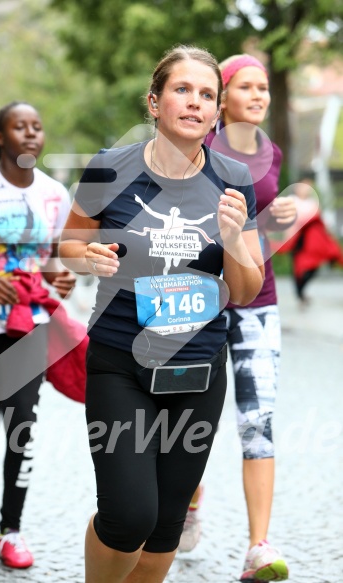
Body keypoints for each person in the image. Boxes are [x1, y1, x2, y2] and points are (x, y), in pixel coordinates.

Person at [58, 45, 264, 583]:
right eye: (182, 90)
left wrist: (233, 243)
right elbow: (70, 245)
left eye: (206, 95)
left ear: (217, 112)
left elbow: (245, 290)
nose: (195, 103)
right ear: (154, 102)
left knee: (167, 524)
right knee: (129, 517)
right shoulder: (110, 167)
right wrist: (90, 256)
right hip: (119, 363)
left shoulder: (233, 179)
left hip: (196, 369)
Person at [179, 54, 297, 582]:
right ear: (221, 96)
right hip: (199, 301)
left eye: (264, 87)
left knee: (258, 422)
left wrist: (282, 220)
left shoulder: (269, 154)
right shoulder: (197, 143)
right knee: (188, 424)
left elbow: (257, 233)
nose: (258, 95)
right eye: (245, 86)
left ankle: (258, 547)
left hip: (258, 303)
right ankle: (188, 496)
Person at [0, 101, 77, 568]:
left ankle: (11, 530)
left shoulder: (53, 193)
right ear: (1, 137)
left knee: (22, 427)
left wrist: (60, 276)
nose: (30, 133)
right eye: (18, 127)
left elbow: (52, 256)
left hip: (30, 324)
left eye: (37, 127)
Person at [279, 178, 343, 303]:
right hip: (296, 239)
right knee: (297, 266)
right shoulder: (291, 201)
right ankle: (299, 293)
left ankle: (301, 291)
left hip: (311, 241)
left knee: (312, 266)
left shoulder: (312, 203)